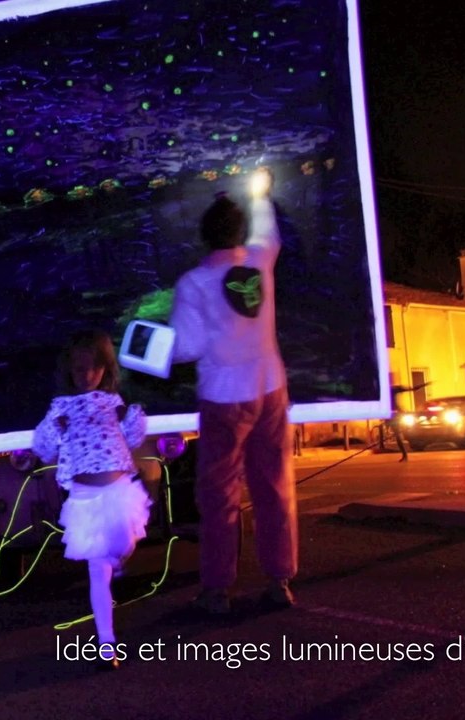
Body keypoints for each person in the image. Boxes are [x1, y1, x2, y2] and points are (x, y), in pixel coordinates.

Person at [168, 167, 297, 614]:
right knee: (274, 486)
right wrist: (260, 194)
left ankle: (217, 589)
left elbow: (187, 346)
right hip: (271, 387)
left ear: (204, 236)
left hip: (224, 396)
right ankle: (280, 580)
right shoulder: (260, 261)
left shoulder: (194, 282)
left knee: (220, 494)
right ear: (240, 232)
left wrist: (152, 346)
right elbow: (269, 232)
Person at [32, 329, 152, 669]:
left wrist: (133, 414)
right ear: (70, 370)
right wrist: (54, 426)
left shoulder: (113, 402)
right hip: (84, 496)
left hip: (117, 489)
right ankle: (106, 643)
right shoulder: (61, 407)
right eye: (79, 369)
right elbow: (42, 446)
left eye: (94, 368)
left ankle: (118, 562)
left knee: (123, 545)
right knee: (97, 571)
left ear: (104, 369)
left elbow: (134, 436)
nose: (86, 375)